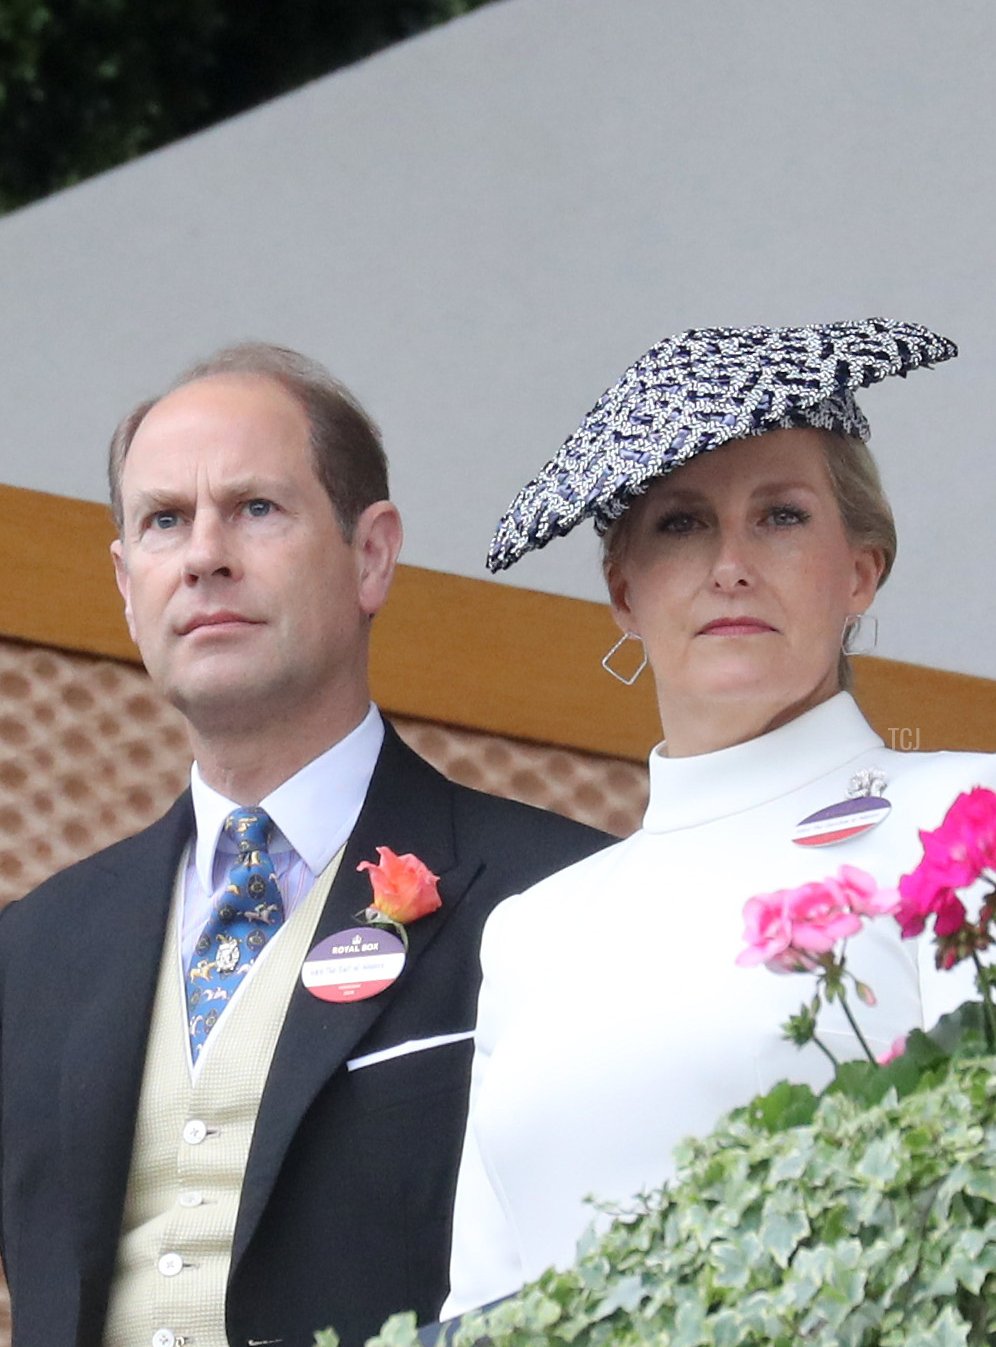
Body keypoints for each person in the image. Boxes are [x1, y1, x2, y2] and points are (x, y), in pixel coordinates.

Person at [0, 343, 609, 1347]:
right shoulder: (32, 951)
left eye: (255, 509)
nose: (203, 555)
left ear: (370, 555)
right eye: (164, 522)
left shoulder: (560, 899)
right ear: (125, 584)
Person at [443, 318, 996, 1317]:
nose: (731, 564)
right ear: (623, 592)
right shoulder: (530, 931)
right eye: (682, 523)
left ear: (861, 570)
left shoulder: (964, 813)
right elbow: (482, 1303)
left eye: (780, 516)